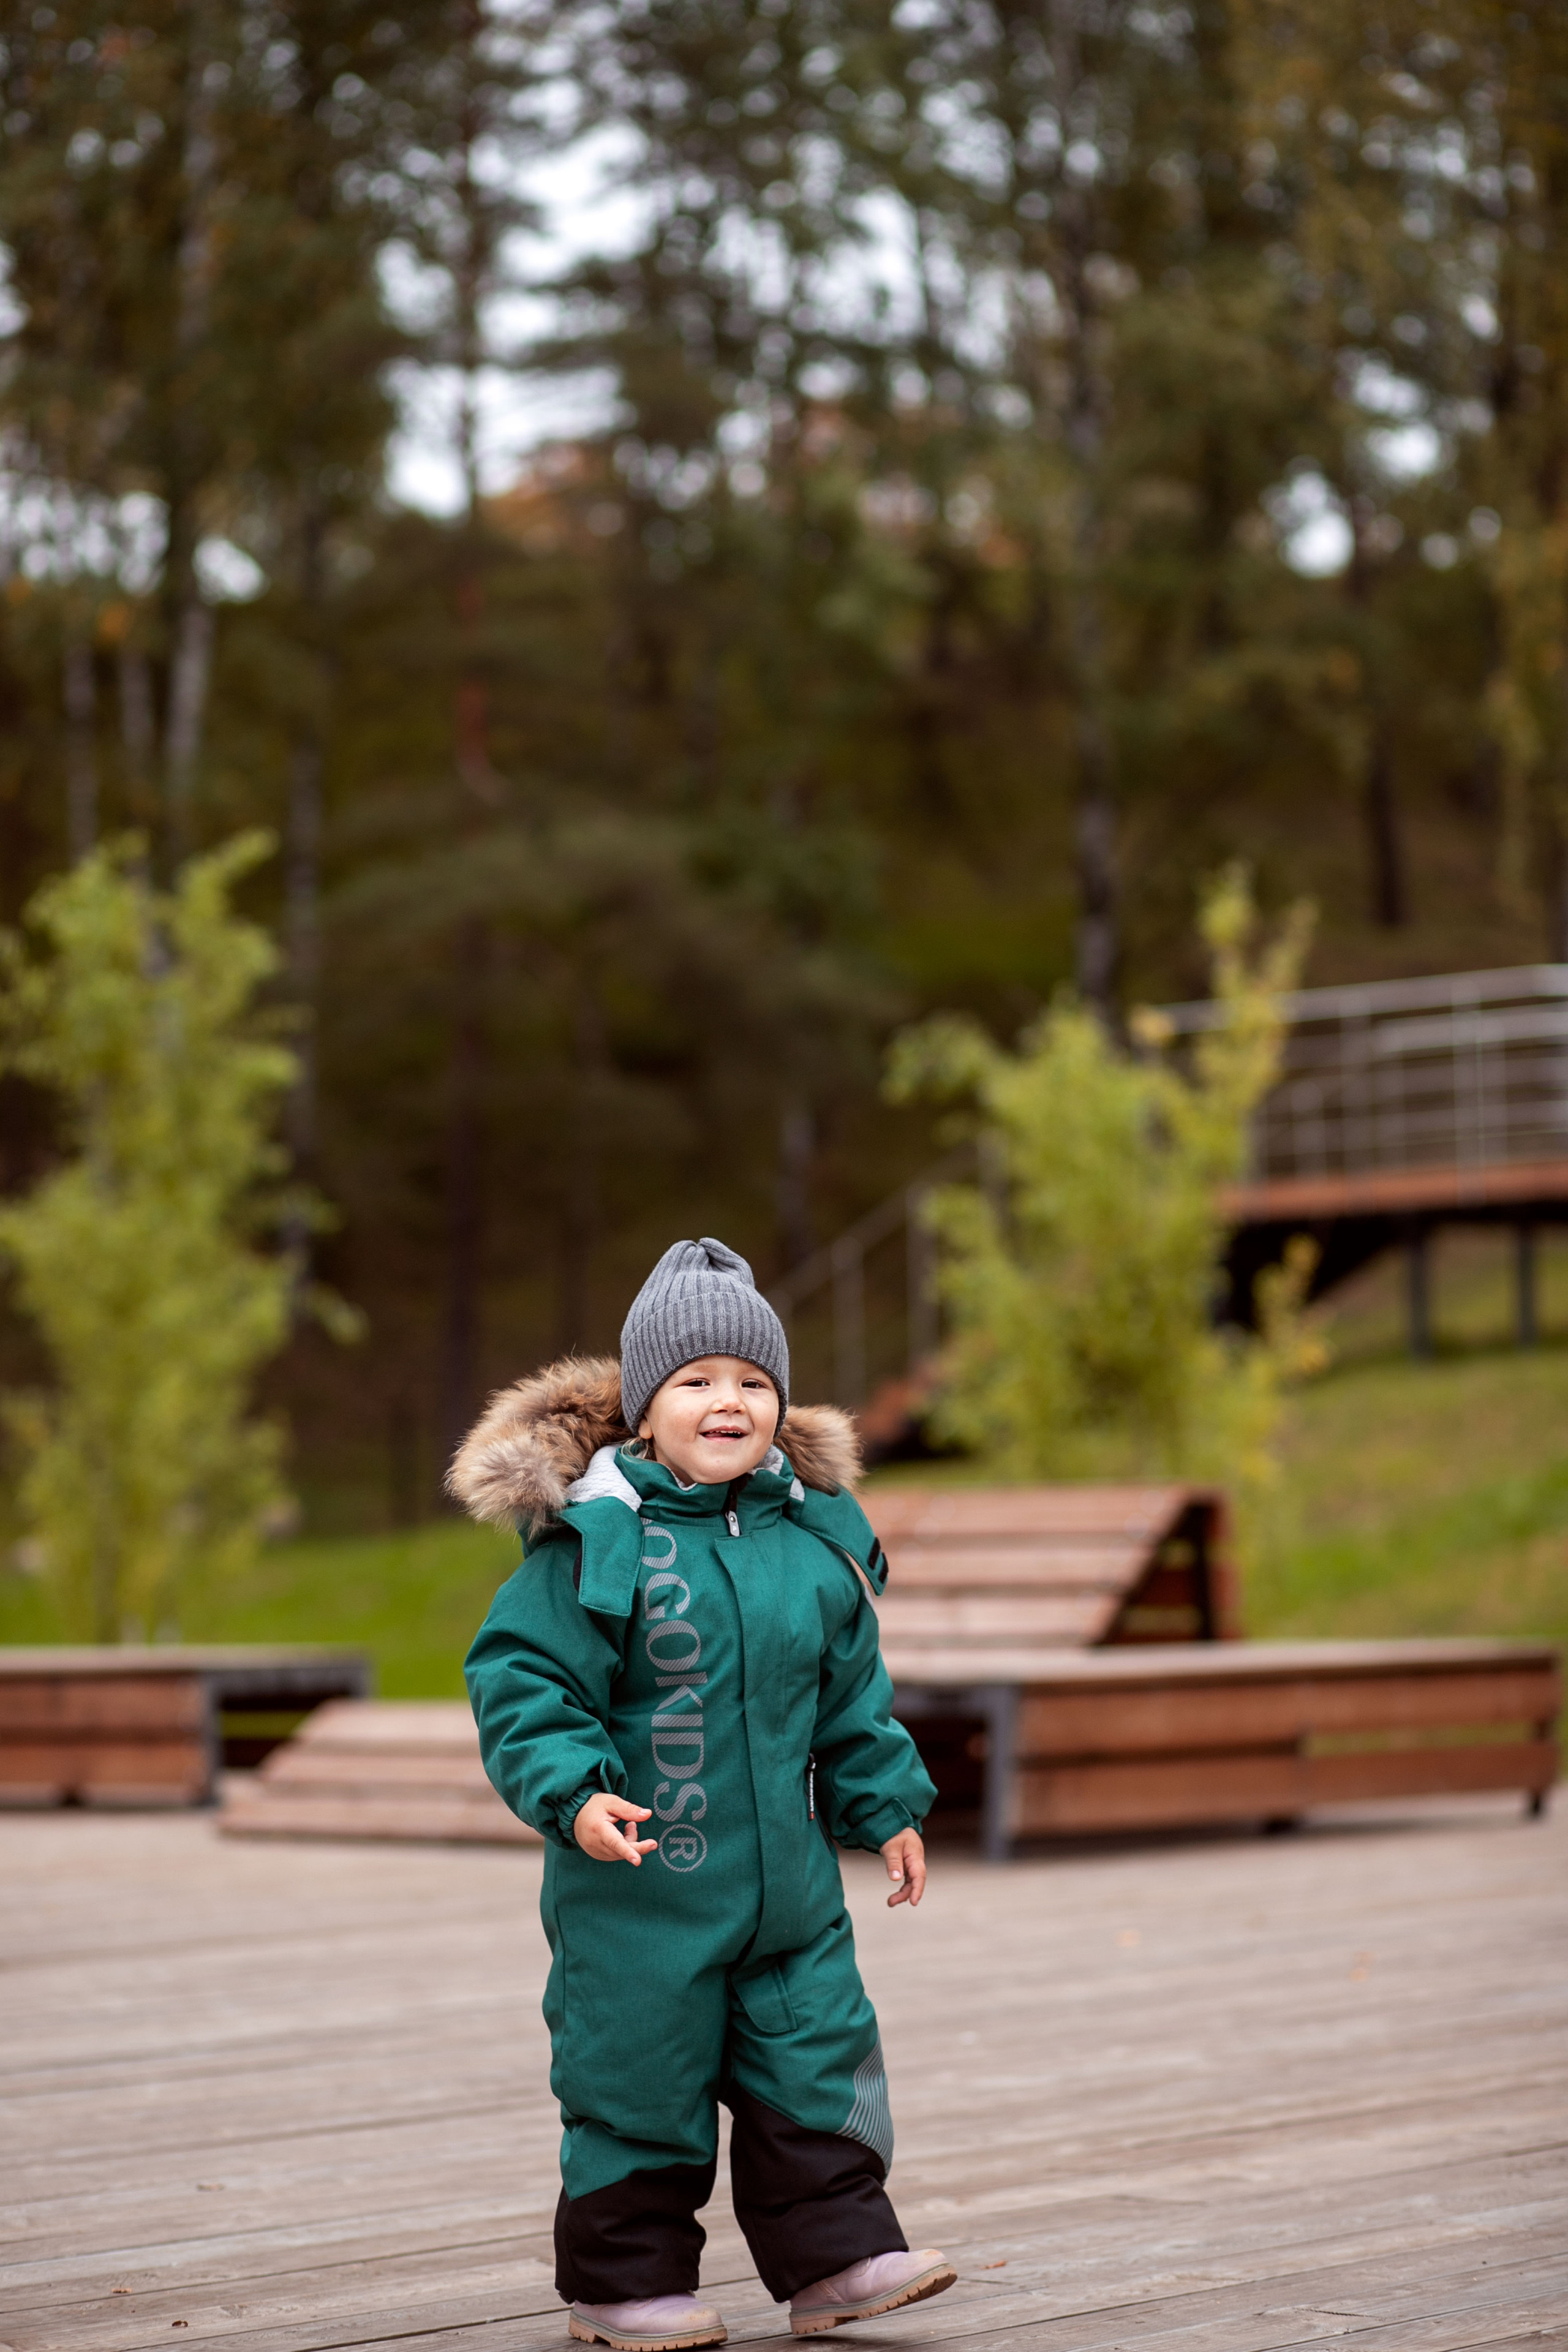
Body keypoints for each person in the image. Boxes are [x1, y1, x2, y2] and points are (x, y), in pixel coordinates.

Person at [453, 1236, 954, 2352]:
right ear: (644, 1409)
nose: (728, 1401)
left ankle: (837, 2260)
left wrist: (890, 1808)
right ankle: (621, 2285)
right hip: (639, 1901)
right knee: (640, 2081)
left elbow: (850, 1703)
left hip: (788, 1897)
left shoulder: (812, 1547)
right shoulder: (597, 1541)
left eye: (753, 1382)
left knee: (815, 2060)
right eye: (697, 1381)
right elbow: (522, 1681)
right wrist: (575, 1791)